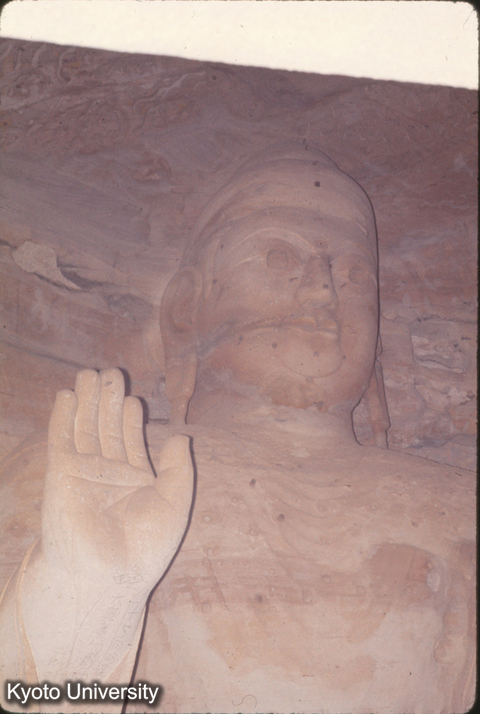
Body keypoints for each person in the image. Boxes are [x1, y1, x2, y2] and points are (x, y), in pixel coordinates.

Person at [0, 144, 475, 713]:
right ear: (185, 309)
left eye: (354, 274)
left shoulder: (460, 508)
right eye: (278, 256)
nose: (324, 290)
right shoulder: (91, 472)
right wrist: (82, 605)